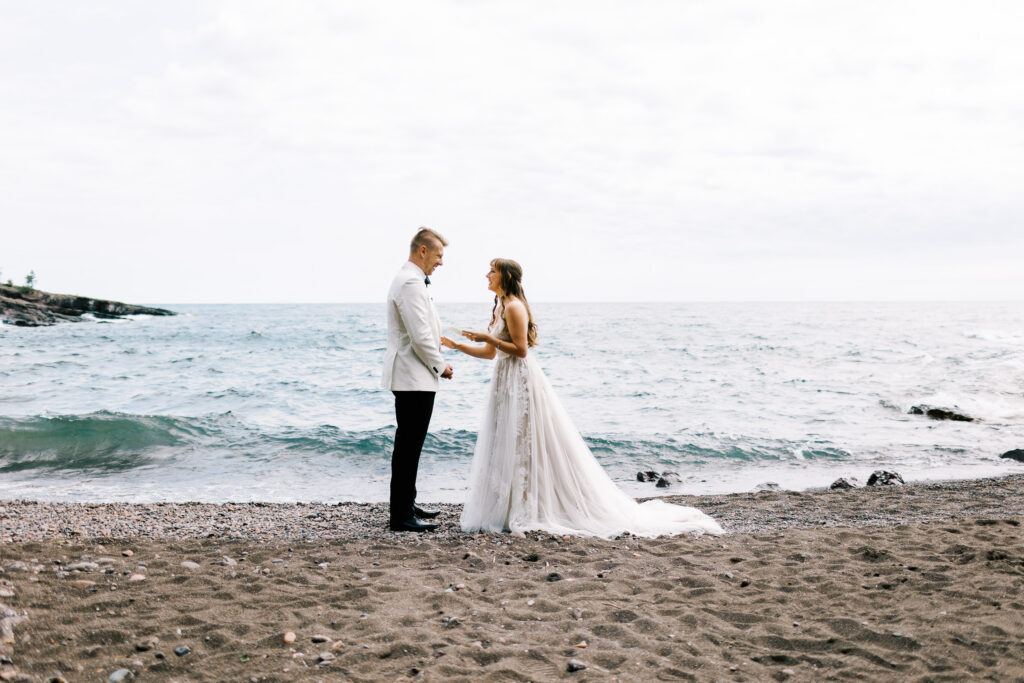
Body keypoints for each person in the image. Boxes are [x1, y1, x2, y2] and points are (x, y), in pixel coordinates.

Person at [442, 258, 723, 538]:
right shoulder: (500, 306)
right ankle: (509, 503)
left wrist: (487, 338)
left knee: (524, 441)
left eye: (492, 271)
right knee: (506, 441)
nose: (487, 275)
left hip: (520, 380)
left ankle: (532, 503)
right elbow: (491, 354)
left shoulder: (515, 306)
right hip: (503, 380)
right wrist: (458, 345)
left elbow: (521, 349)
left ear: (506, 276)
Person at [382, 228, 454, 532]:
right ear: (422, 251)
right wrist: (441, 366)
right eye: (438, 255)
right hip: (414, 376)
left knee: (410, 445)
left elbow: (426, 329)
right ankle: (401, 516)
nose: (440, 262)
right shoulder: (410, 283)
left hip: (414, 375)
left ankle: (407, 504)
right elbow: (420, 336)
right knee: (409, 447)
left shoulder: (410, 280)